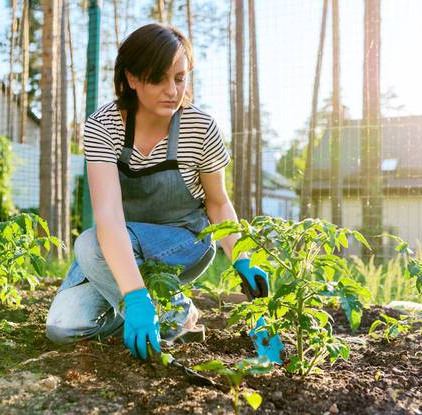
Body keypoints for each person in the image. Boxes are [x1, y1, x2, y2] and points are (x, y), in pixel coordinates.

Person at [45, 23, 269, 361]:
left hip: (183, 241)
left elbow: (218, 203)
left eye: (179, 78)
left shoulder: (200, 128)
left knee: (88, 244)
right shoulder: (102, 126)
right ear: (132, 79)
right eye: (158, 78)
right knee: (63, 328)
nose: (172, 91)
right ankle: (175, 313)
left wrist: (242, 258)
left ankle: (161, 308)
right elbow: (107, 216)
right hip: (118, 248)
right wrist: (134, 297)